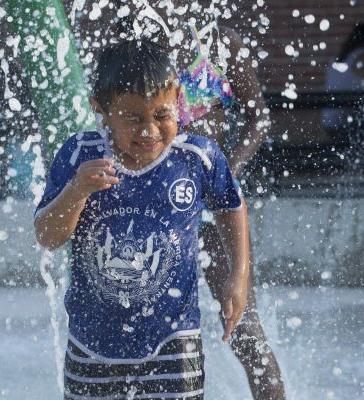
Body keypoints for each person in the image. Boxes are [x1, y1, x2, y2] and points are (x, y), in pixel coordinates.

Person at [35, 38, 249, 399]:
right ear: (100, 110)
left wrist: (238, 275)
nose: (150, 131)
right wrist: (76, 191)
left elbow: (232, 206)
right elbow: (48, 236)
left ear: (178, 99)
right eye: (133, 119)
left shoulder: (196, 157)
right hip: (91, 342)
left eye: (162, 115)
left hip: (174, 340)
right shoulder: (80, 156)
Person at [105, 4, 286, 399]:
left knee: (244, 328)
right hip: (153, 206)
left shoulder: (220, 44)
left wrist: (227, 170)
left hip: (207, 206)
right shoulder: (135, 44)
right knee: (135, 320)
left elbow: (260, 117)